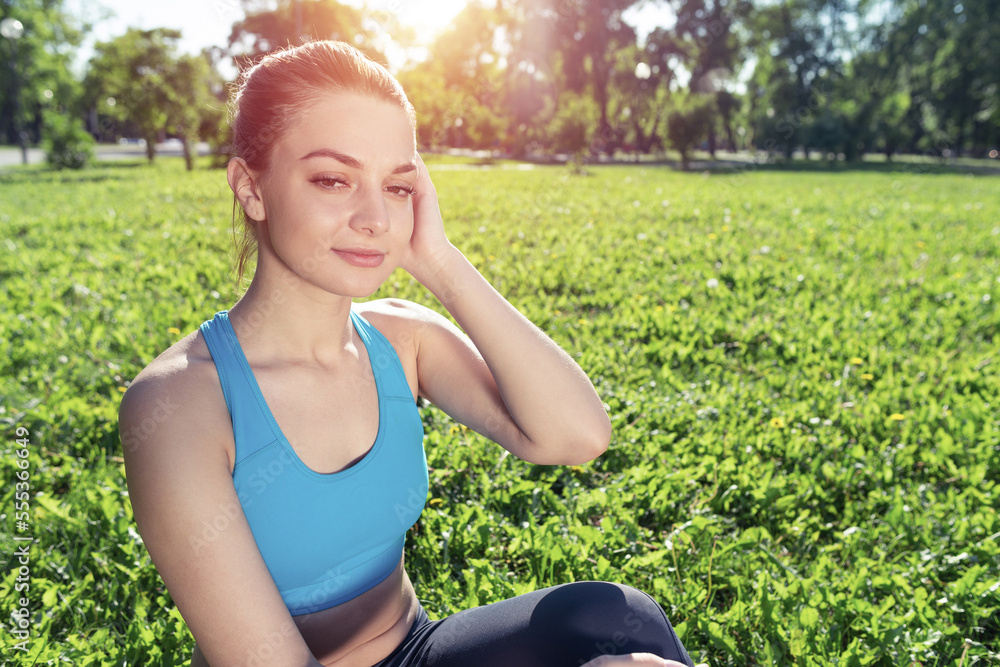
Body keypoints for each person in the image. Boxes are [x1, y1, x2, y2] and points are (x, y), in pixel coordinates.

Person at [119, 40, 696, 667]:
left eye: (396, 186)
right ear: (250, 188)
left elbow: (574, 436)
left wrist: (441, 264)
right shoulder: (179, 404)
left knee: (617, 622)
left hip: (415, 648)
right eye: (334, 179)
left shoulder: (400, 339)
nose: (375, 218)